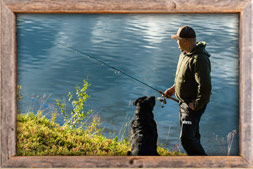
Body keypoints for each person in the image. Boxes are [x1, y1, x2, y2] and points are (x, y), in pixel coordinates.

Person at [163, 26, 211, 156]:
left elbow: (205, 86)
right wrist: (173, 89)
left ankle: (204, 163)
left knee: (187, 139)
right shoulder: (184, 54)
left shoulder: (199, 59)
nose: (176, 42)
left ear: (184, 41)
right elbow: (184, 77)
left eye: (178, 40)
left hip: (192, 105)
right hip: (183, 103)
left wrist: (196, 105)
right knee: (193, 134)